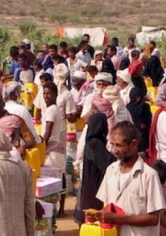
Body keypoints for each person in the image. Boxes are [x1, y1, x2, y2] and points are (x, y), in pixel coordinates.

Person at [91, 122, 165, 236]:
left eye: (119, 145)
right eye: (112, 145)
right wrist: (98, 216)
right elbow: (107, 207)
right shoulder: (111, 171)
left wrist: (120, 220)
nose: (114, 150)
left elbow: (154, 218)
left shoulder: (148, 175)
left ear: (133, 144)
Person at [74, 114, 116, 224]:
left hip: (89, 191)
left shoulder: (91, 143)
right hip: (95, 192)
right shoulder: (95, 144)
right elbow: (108, 162)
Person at [41, 82, 68, 214]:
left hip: (52, 148)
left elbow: (47, 132)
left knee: (51, 180)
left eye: (49, 93)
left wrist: (41, 149)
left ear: (55, 95)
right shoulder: (55, 109)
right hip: (57, 147)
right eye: (44, 93)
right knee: (60, 177)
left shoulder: (51, 110)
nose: (46, 96)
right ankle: (61, 208)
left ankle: (53, 208)